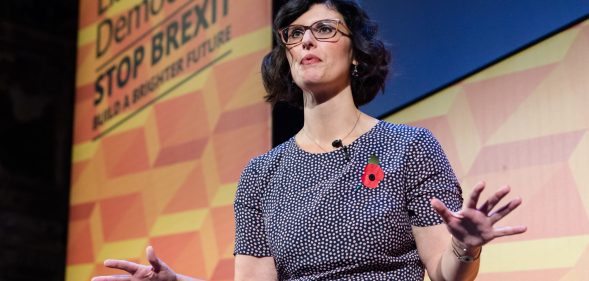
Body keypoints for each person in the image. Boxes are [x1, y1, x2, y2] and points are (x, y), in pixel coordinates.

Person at [92, 0, 527, 280]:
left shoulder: (409, 147)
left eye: (324, 30)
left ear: (355, 54)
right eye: (295, 35)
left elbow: (444, 273)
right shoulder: (261, 175)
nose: (306, 42)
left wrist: (463, 246)